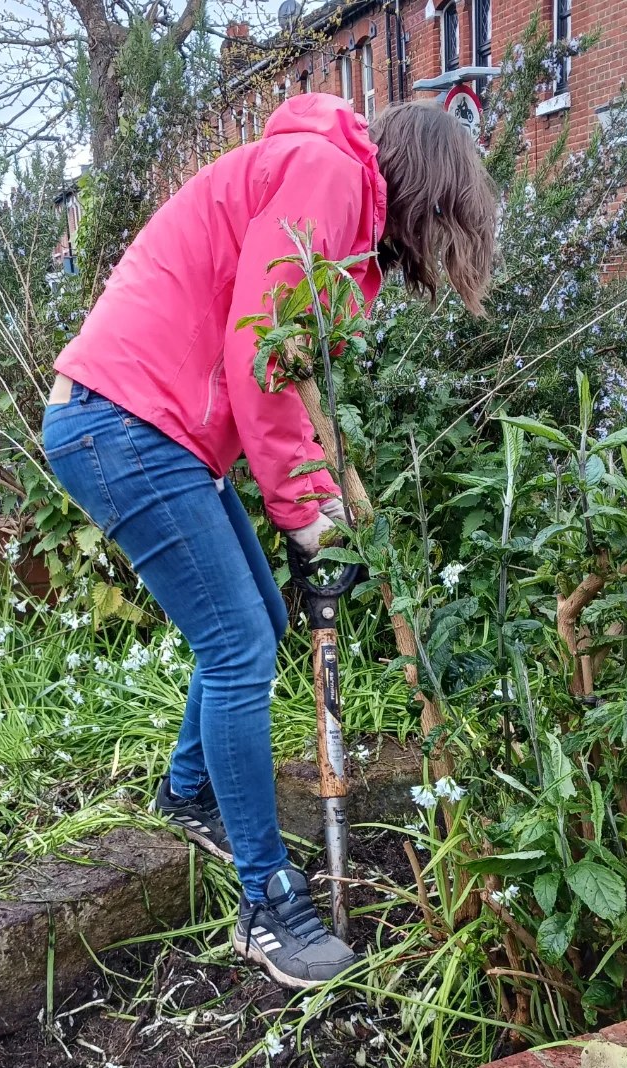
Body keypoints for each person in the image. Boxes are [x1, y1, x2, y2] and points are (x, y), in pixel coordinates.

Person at [43, 93, 497, 989]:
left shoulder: (340, 206)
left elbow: (288, 378)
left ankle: (187, 790)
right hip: (123, 423)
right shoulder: (327, 177)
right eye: (447, 222)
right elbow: (263, 354)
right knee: (240, 644)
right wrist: (307, 519)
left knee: (259, 628)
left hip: (151, 427)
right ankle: (266, 903)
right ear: (427, 191)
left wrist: (319, 501)